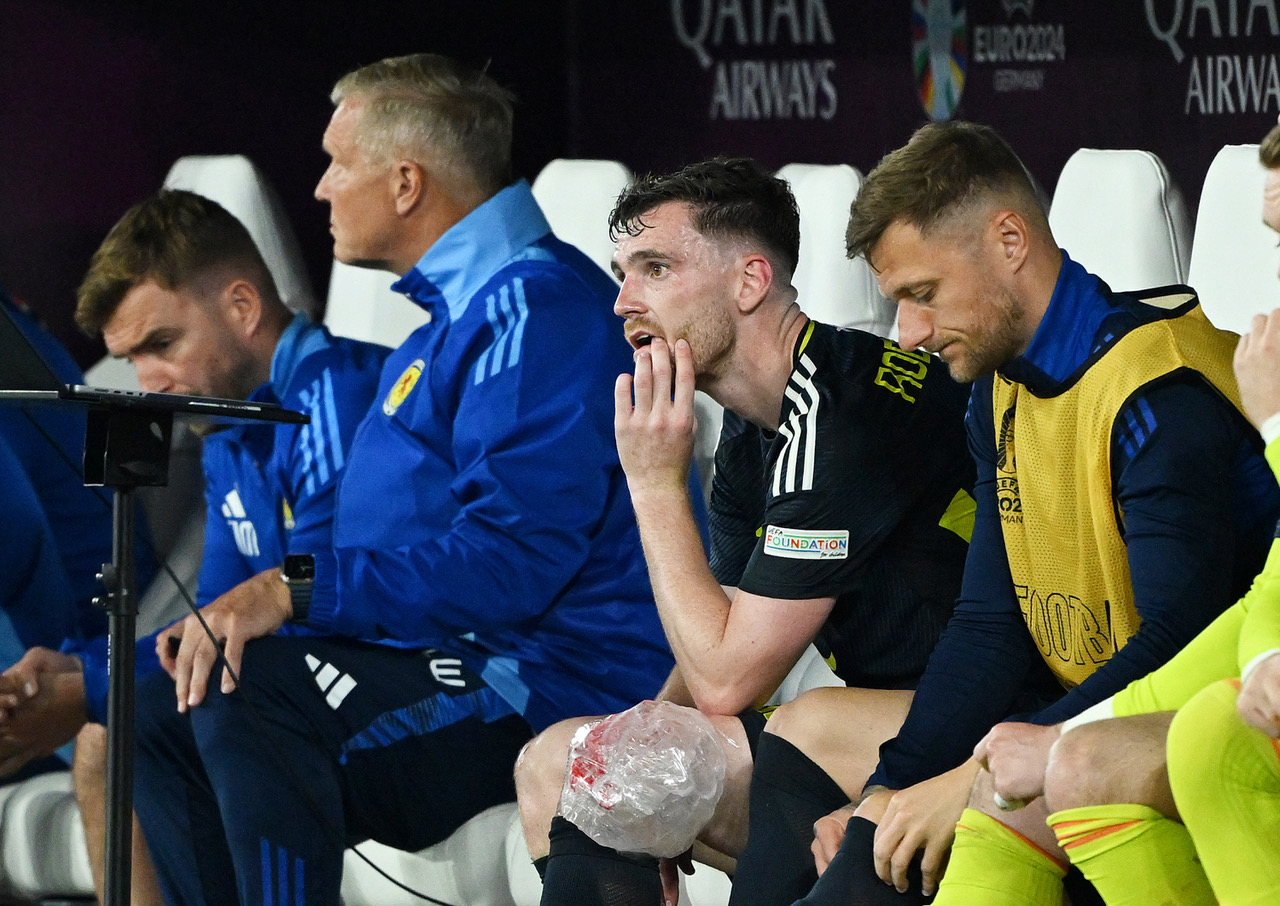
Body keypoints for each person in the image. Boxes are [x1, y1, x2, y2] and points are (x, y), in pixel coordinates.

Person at [124, 53, 672, 906]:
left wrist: (295, 588)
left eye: (338, 163)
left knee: (251, 693)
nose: (320, 188)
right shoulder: (447, 325)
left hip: (544, 683)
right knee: (161, 705)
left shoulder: (535, 310)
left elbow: (512, 561)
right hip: (442, 660)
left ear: (406, 182)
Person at [785, 119, 1279, 906]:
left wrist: (977, 774)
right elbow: (989, 624)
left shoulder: (1160, 395)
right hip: (1074, 716)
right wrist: (888, 790)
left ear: (1009, 240)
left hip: (1180, 724)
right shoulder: (997, 383)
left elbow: (1174, 641)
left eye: (922, 294)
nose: (907, 334)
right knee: (860, 841)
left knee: (975, 810)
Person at [516, 155, 977, 906]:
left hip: (975, 721)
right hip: (874, 727)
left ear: (750, 281)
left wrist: (654, 484)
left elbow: (730, 679)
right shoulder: (753, 423)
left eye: (655, 268)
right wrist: (642, 782)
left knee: (800, 722)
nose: (623, 302)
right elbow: (718, 632)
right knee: (569, 766)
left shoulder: (839, 418)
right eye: (622, 273)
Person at [0, 188, 390, 905]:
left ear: (241, 307)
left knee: (137, 723)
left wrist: (91, 687)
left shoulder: (335, 398)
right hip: (292, 691)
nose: (148, 384)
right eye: (130, 358)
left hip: (400, 693)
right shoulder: (227, 432)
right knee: (104, 741)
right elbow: (211, 618)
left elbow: (322, 613)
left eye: (161, 345)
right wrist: (79, 671)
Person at [964, 121, 1280, 906]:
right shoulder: (999, 395)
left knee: (1204, 743)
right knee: (1021, 780)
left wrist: (1275, 424)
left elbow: (1190, 623)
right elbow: (1265, 609)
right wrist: (1067, 730)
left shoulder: (1163, 394)